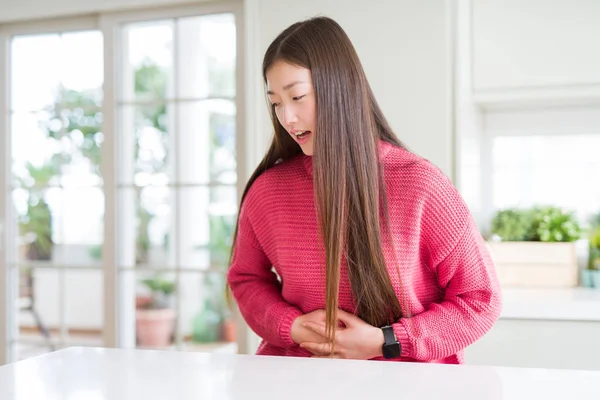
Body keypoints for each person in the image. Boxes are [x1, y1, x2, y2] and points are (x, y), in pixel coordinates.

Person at [226, 16, 501, 363]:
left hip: (407, 383)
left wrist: (386, 341)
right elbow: (246, 278)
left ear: (339, 88)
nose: (287, 117)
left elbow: (480, 298)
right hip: (293, 378)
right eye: (276, 102)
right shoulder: (267, 191)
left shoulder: (420, 185)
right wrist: (291, 326)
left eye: (297, 96)